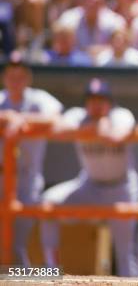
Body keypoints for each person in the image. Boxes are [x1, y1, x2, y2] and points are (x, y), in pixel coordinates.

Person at [40, 78, 138, 276]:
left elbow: (115, 136)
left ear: (110, 102)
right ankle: (50, 271)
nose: (96, 104)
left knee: (125, 253)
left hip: (121, 189)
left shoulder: (120, 114)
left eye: (101, 99)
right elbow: (57, 131)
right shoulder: (78, 115)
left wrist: (99, 126)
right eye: (92, 100)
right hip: (90, 186)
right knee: (48, 202)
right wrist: (90, 128)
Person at [0, 52, 62, 265]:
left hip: (26, 181)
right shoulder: (1, 100)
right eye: (11, 76)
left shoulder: (39, 99)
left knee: (15, 245)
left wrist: (22, 120)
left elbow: (56, 117)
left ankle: (34, 279)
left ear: (28, 78)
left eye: (20, 76)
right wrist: (9, 117)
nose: (15, 81)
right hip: (1, 177)